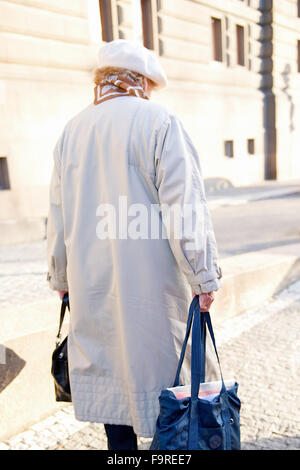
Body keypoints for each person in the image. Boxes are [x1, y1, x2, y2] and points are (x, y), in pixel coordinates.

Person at [46, 39, 222, 450]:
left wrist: (60, 275)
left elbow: (57, 216)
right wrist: (203, 274)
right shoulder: (159, 122)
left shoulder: (72, 131)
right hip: (153, 289)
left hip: (91, 287)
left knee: (112, 395)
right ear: (140, 81)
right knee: (169, 395)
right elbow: (185, 207)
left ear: (102, 81)